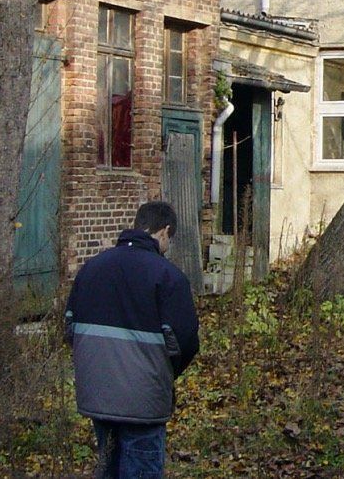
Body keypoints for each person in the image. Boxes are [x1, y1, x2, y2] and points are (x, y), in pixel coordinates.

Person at [65, 201, 200, 479]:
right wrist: (161, 372)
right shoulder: (168, 276)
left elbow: (70, 329)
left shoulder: (90, 269)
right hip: (144, 400)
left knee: (108, 468)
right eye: (169, 239)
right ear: (164, 232)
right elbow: (186, 341)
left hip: (98, 394)